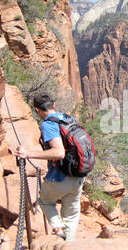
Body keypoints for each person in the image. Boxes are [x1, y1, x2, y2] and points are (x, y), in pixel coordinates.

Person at [14, 92, 84, 242]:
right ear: (54, 106)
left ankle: (58, 230)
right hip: (78, 176)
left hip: (60, 178)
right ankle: (68, 247)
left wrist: (28, 154)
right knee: (71, 216)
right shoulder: (68, 118)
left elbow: (59, 153)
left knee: (45, 201)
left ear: (37, 111)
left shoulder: (48, 124)